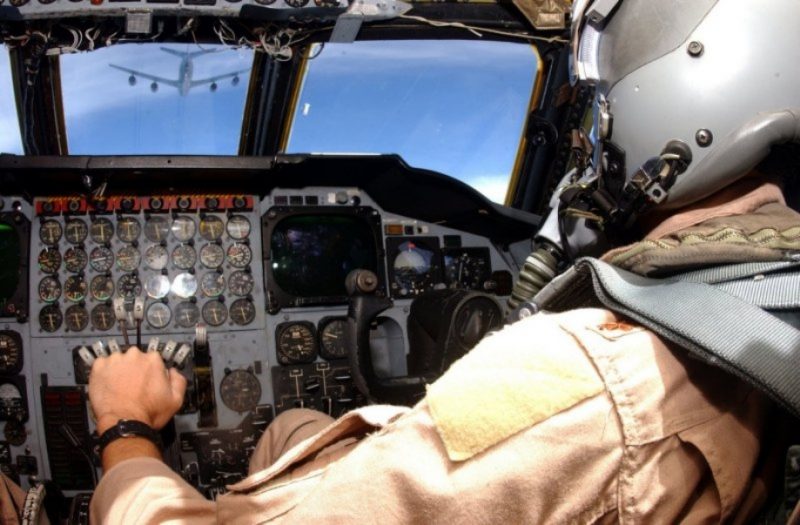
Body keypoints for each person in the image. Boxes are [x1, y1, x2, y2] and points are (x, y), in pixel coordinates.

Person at [4, 0, 800, 522]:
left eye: (596, 118)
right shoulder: (759, 300)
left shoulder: (592, 386)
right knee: (286, 426)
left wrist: (125, 427)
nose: (589, 147)